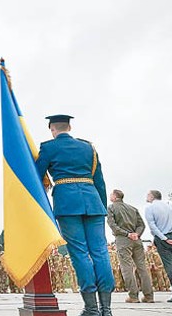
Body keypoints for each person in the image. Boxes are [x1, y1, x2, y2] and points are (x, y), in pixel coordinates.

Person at [36, 115, 114, 316]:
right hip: (93, 202)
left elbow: (37, 174)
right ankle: (107, 309)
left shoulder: (48, 147)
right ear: (69, 127)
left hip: (67, 203)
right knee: (100, 252)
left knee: (79, 253)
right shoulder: (89, 147)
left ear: (52, 129)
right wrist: (102, 207)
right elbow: (100, 181)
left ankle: (91, 308)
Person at [106, 189, 154, 303]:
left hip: (123, 240)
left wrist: (127, 234)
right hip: (137, 240)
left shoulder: (111, 208)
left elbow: (112, 225)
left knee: (127, 268)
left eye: (111, 195)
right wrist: (136, 234)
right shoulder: (133, 208)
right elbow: (141, 224)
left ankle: (133, 296)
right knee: (142, 268)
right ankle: (149, 296)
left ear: (115, 196)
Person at [145, 189, 172, 302]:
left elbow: (153, 226)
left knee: (170, 265)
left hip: (163, 238)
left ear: (151, 196)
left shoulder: (150, 208)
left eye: (147, 195)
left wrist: (164, 238)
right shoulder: (171, 206)